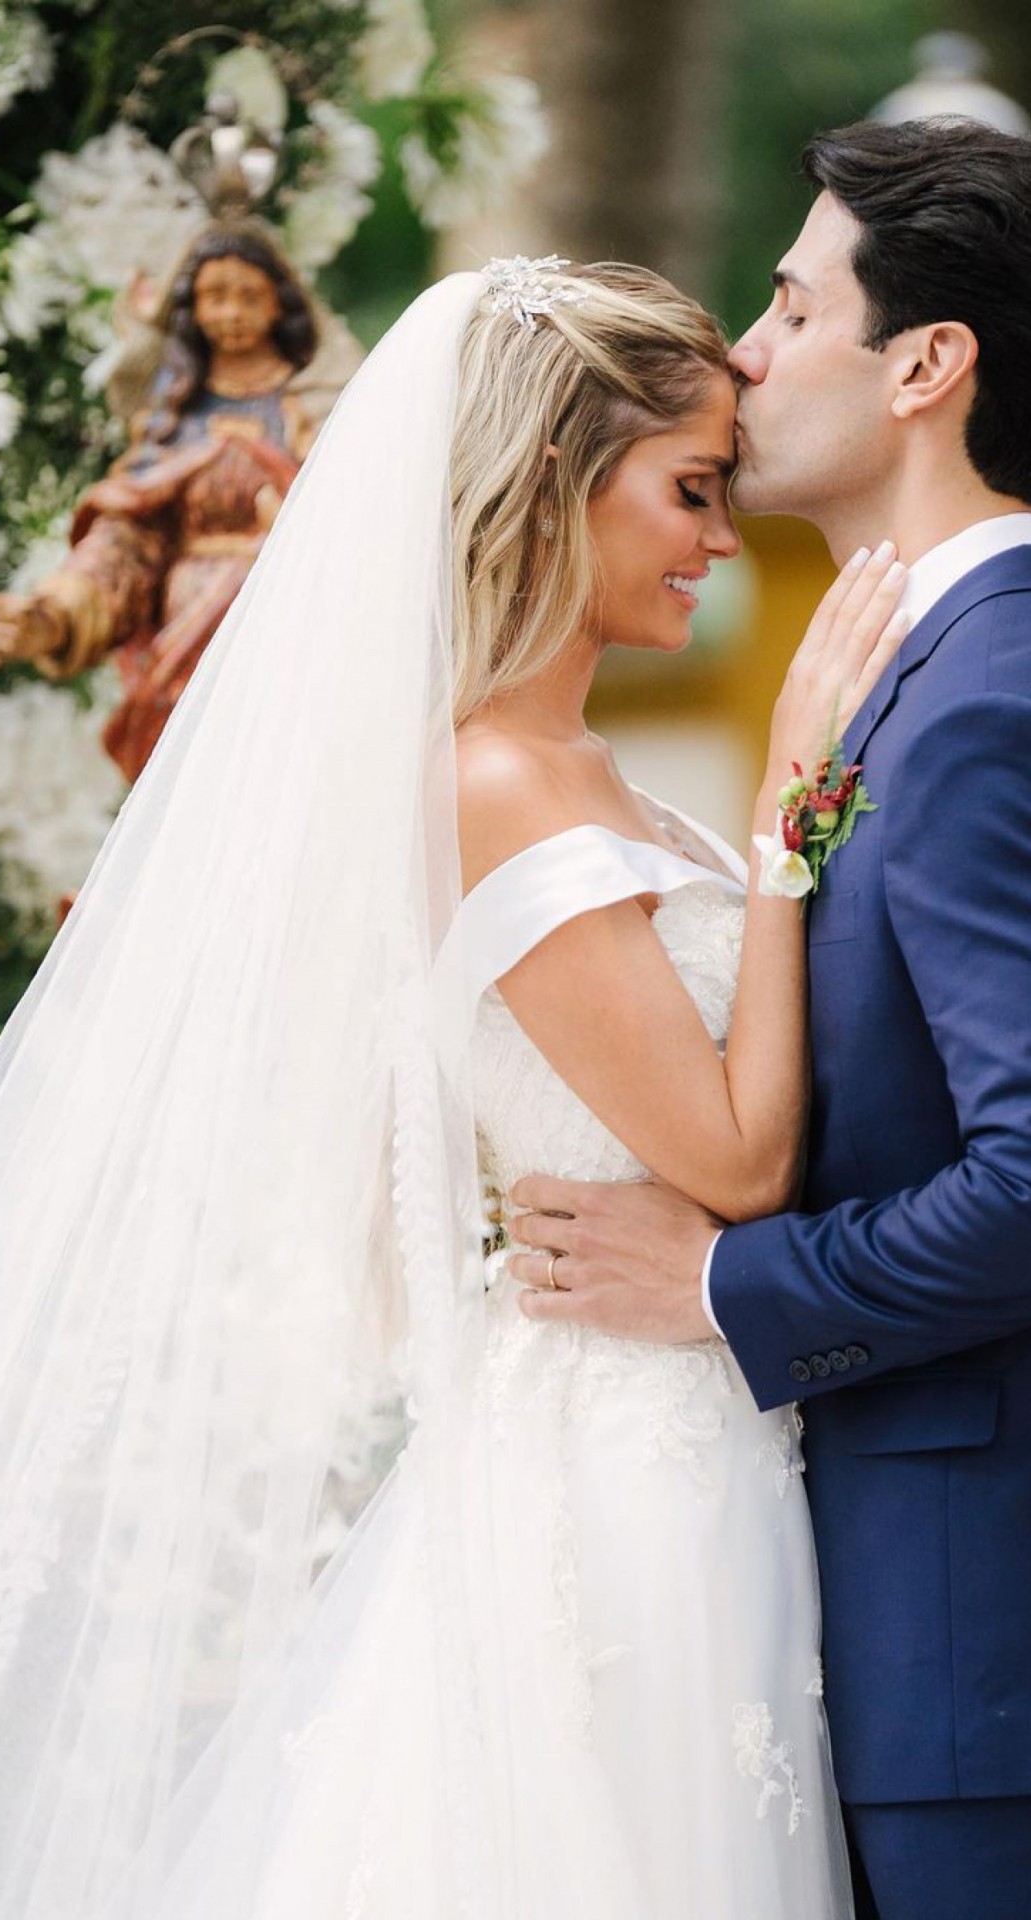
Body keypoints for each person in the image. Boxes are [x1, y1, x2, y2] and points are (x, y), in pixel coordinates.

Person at [0, 257, 903, 1918]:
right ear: (550, 482)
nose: (716, 536)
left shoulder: (576, 768)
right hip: (617, 1473)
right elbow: (740, 1156)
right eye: (687, 490)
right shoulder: (492, 779)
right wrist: (789, 803)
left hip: (680, 1427)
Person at [506, 122, 1031, 1920]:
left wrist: (726, 1287)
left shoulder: (982, 699)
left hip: (971, 1660)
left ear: (922, 366)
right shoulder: (914, 672)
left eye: (789, 303)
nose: (739, 347)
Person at [0, 225, 324, 782]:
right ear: (191, 307)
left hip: (282, 647)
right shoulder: (173, 420)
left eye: (248, 296)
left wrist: (300, 537)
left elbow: (355, 531)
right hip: (180, 654)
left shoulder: (315, 407)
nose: (231, 312)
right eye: (215, 296)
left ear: (279, 306)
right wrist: (55, 613)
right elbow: (124, 545)